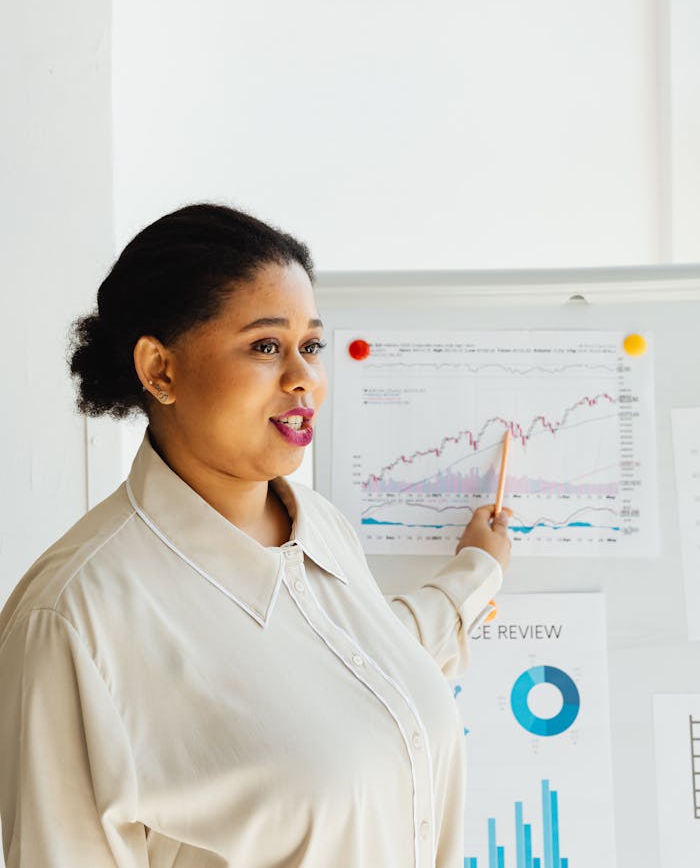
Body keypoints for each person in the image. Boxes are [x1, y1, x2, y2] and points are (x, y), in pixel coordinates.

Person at [0, 202, 511, 868]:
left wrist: (477, 573)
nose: (304, 379)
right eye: (266, 346)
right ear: (160, 369)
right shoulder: (73, 620)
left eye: (312, 346)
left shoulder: (320, 528)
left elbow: (362, 666)